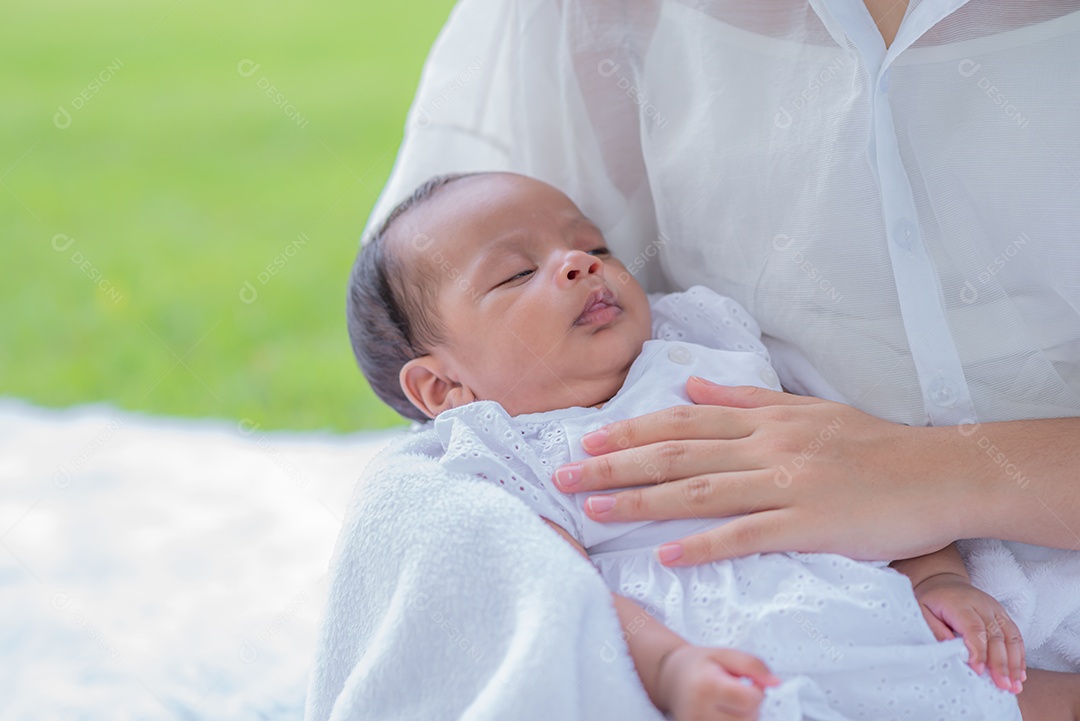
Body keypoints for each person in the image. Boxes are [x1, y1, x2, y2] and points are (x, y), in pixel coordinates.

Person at [354, 0, 1080, 707]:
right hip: (705, 641)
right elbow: (559, 593)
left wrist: (936, 580)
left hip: (859, 611)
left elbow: (865, 473)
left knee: (996, 689)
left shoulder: (702, 346)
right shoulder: (502, 454)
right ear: (444, 388)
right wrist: (670, 668)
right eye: (518, 273)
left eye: (594, 245)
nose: (579, 264)